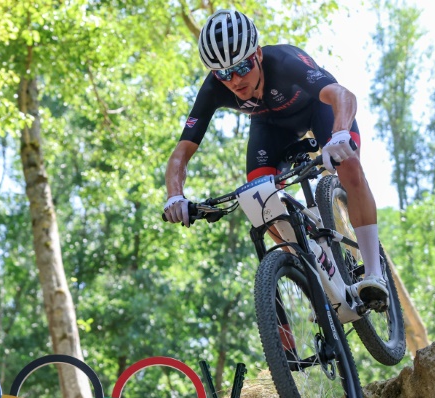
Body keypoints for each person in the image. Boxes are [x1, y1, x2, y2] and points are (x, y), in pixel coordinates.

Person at [163, 9, 388, 307]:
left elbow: (341, 95)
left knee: (349, 166)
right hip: (270, 127)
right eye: (224, 74)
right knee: (259, 202)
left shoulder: (284, 62)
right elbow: (182, 152)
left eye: (242, 67)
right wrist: (174, 196)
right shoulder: (214, 88)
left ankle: (375, 273)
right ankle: (319, 281)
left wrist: (338, 135)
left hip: (319, 112)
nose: (235, 80)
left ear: (257, 53)